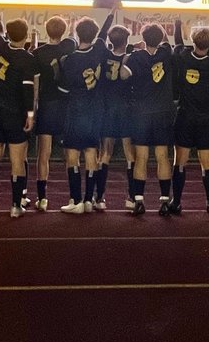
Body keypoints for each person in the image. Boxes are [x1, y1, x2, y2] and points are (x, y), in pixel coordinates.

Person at [168, 22, 209, 215]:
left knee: (180, 161)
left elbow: (178, 43)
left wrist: (178, 24)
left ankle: (176, 202)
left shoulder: (182, 56)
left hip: (185, 116)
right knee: (207, 161)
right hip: (206, 117)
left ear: (193, 40)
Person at [0, 14, 41, 218]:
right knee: (17, 161)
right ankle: (15, 206)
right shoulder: (28, 59)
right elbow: (28, 91)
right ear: (26, 36)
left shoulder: (0, 48)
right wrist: (30, 114)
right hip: (15, 114)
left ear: (8, 34)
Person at [57, 12, 117, 214]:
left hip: (76, 111)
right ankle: (89, 199)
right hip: (95, 112)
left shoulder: (70, 59)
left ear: (77, 34)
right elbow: (103, 34)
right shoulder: (100, 50)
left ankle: (76, 200)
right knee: (92, 153)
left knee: (72, 155)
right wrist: (111, 13)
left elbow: (63, 89)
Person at [126, 21, 177, 215]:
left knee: (141, 157)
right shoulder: (166, 53)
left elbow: (123, 75)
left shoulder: (136, 57)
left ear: (143, 38)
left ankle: (139, 200)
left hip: (141, 113)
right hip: (163, 112)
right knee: (162, 156)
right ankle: (164, 200)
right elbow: (167, 43)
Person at [31, 15, 76, 211]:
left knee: (43, 154)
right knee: (70, 153)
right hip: (66, 105)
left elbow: (36, 84)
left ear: (46, 30)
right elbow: (73, 38)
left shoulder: (38, 53)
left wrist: (34, 108)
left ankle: (42, 198)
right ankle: (74, 197)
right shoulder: (69, 47)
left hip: (47, 105)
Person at [96, 22, 133, 211]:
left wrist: (110, 15)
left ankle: (99, 197)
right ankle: (132, 197)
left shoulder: (104, 56)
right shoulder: (131, 58)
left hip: (107, 109)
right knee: (130, 155)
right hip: (125, 110)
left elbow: (100, 37)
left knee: (105, 154)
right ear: (126, 41)